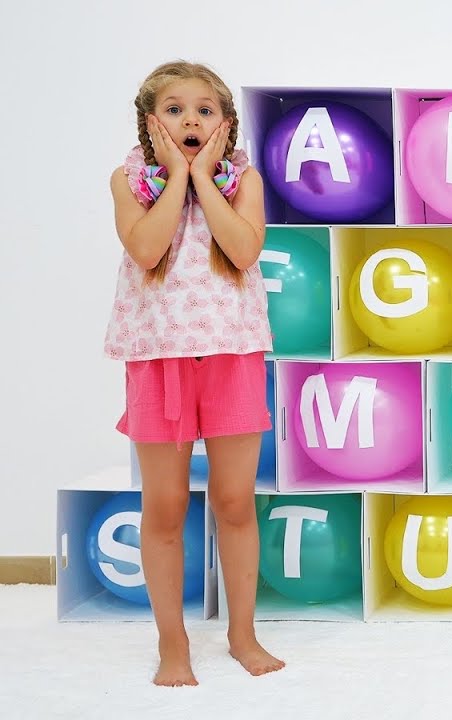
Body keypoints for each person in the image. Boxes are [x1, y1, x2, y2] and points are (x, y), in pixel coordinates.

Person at [105, 60, 285, 686]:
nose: (191, 119)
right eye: (175, 108)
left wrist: (204, 178)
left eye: (205, 110)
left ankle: (242, 634)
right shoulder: (128, 181)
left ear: (227, 125)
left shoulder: (243, 181)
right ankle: (172, 643)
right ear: (151, 123)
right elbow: (148, 249)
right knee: (165, 506)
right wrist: (176, 175)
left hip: (231, 354)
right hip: (159, 361)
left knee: (235, 501)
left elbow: (243, 250)